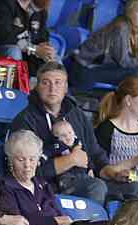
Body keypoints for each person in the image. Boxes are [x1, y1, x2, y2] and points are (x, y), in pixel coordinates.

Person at [11, 62, 111, 205]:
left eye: (58, 83)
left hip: (82, 178)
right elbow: (25, 170)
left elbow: (94, 151)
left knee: (135, 190)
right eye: (46, 83)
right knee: (96, 187)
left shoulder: (76, 114)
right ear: (37, 87)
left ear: (65, 88)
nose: (52, 88)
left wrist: (110, 170)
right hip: (47, 186)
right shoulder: (25, 120)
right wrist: (71, 160)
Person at [0, 130, 105, 225]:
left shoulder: (43, 184)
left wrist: (63, 220)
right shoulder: (5, 186)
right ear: (11, 160)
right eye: (21, 159)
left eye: (32, 159)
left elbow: (57, 212)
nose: (27, 165)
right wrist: (53, 221)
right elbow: (19, 222)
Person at [71, 0, 138, 95]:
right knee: (134, 74)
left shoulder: (137, 30)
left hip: (102, 68)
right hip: (84, 71)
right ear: (129, 11)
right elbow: (124, 61)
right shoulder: (121, 27)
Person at [0, 0, 58, 75]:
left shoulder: (39, 11)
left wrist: (46, 49)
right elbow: (3, 37)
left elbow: (42, 37)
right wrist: (34, 49)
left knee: (53, 58)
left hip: (26, 54)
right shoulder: (2, 3)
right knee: (14, 51)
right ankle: (13, 85)